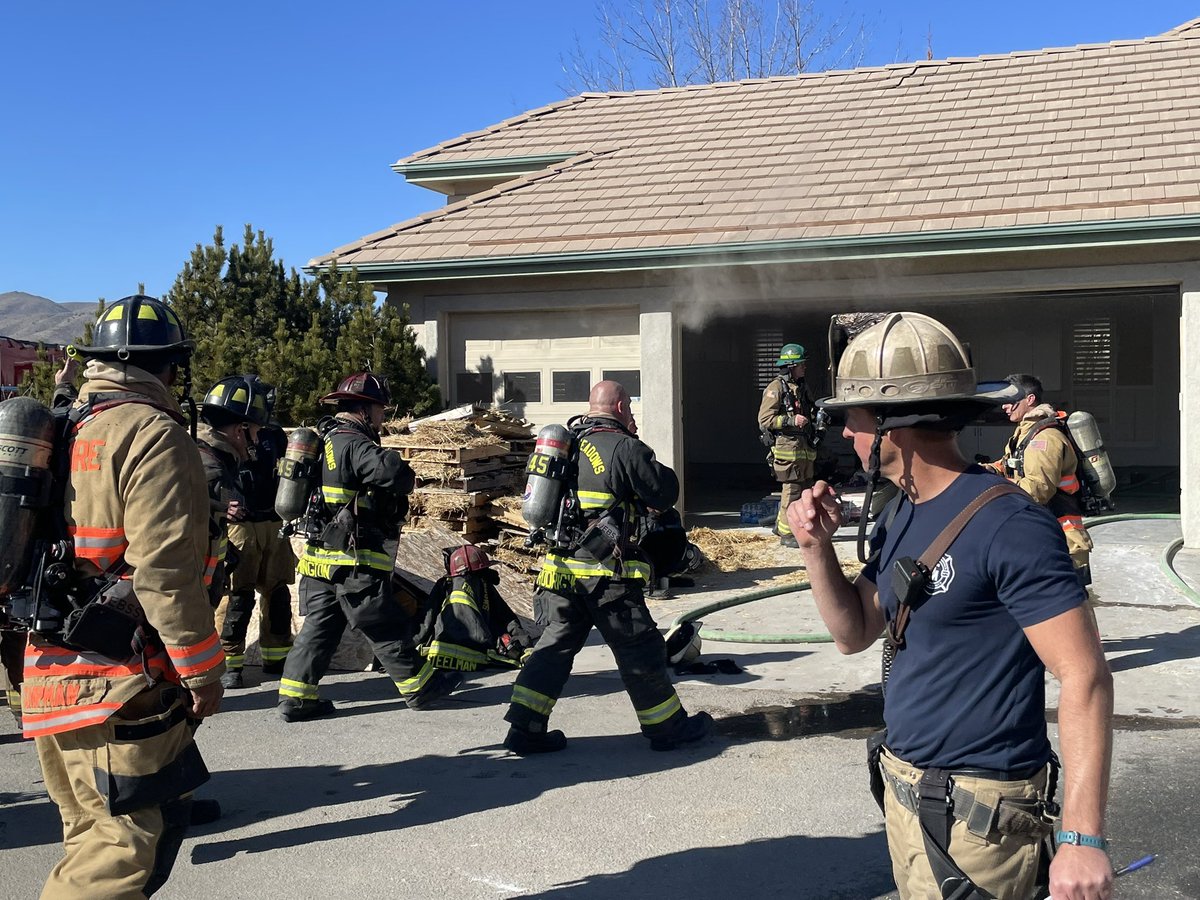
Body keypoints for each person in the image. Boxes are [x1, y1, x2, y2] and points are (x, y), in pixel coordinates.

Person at [787, 312, 1114, 900]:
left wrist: (1082, 838)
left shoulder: (1009, 523)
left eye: (853, 419)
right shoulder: (899, 512)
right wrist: (816, 550)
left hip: (981, 821)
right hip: (907, 798)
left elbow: (1084, 676)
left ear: (895, 425)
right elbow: (854, 631)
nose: (845, 435)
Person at [22, 294, 225, 897]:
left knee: (89, 835)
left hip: (48, 670)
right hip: (120, 682)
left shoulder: (63, 427)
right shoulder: (152, 434)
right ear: (169, 368)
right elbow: (165, 572)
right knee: (118, 852)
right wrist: (204, 671)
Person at [502, 380, 712, 754]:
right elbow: (664, 491)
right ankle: (666, 727)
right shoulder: (624, 448)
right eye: (630, 408)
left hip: (560, 574)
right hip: (606, 578)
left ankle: (525, 727)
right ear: (619, 408)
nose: (632, 415)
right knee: (640, 649)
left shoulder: (569, 445)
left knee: (553, 648)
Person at [277, 372, 420, 722]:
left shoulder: (324, 438)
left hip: (319, 557)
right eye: (380, 410)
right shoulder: (353, 442)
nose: (383, 417)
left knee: (320, 627)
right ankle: (422, 687)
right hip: (352, 557)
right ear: (364, 409)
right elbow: (393, 476)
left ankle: (296, 698)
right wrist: (398, 462)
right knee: (380, 621)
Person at [211, 380, 295, 689]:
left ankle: (276, 655)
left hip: (273, 521)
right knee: (237, 595)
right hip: (240, 526)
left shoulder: (273, 437)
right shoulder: (217, 442)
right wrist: (223, 506)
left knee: (279, 593)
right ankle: (230, 663)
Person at [987, 374, 1095, 586]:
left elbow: (1038, 489)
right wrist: (982, 471)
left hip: (1061, 543)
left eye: (1010, 401)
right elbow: (1010, 464)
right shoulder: (1025, 433)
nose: (1004, 407)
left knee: (1068, 609)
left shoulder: (1044, 438)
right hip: (1041, 535)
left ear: (1030, 400)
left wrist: (996, 493)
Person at [400, 543, 533, 710]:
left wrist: (405, 649)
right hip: (478, 655)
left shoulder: (445, 584)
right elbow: (506, 619)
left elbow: (425, 621)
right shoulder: (483, 586)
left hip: (440, 657)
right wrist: (522, 648)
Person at [195, 375, 269, 611]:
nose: (256, 442)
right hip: (193, 596)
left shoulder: (198, 453)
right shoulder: (213, 471)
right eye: (256, 433)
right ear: (240, 430)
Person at [758, 342, 819, 547]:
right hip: (787, 448)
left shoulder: (801, 387)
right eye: (801, 364)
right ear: (791, 365)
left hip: (803, 447)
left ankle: (789, 527)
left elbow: (809, 410)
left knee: (805, 490)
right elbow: (764, 419)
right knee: (792, 489)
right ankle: (786, 534)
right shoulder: (775, 388)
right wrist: (791, 421)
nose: (804, 368)